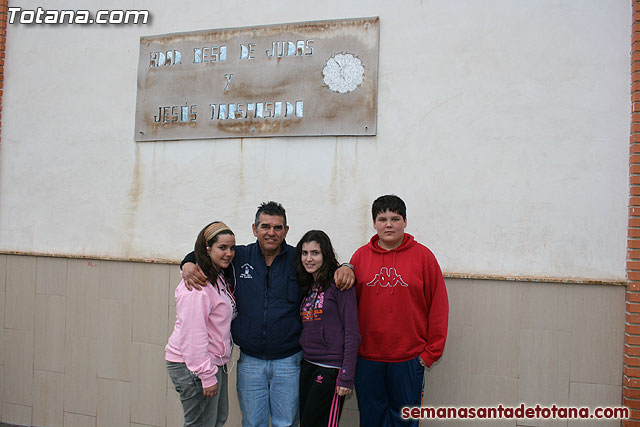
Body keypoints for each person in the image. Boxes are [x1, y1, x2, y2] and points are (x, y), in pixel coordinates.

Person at [181, 202, 356, 427]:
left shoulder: (298, 260)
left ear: (286, 230)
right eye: (265, 226)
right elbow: (207, 253)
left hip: (289, 361)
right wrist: (187, 262)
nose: (271, 232)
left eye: (278, 227)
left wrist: (347, 266)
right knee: (253, 423)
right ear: (255, 229)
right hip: (250, 361)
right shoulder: (238, 257)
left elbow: (325, 266)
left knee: (287, 423)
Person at [349, 195, 449, 427]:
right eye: (382, 219)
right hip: (367, 359)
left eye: (395, 219)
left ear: (405, 221)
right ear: (374, 224)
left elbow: (438, 306)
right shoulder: (360, 257)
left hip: (408, 359)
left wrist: (429, 354)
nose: (389, 225)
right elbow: (348, 308)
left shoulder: (424, 258)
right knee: (370, 419)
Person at [166, 221, 237, 427]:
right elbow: (193, 334)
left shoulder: (219, 276)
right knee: (201, 424)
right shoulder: (197, 286)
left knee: (217, 419)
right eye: (222, 248)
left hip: (214, 362)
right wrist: (206, 375)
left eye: (232, 248)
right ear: (207, 249)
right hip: (193, 365)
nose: (229, 253)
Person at [295, 230, 360, 427]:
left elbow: (352, 332)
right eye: (305, 253)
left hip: (331, 369)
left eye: (315, 253)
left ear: (325, 254)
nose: (309, 258)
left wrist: (346, 376)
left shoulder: (340, 284)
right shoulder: (308, 285)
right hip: (308, 364)